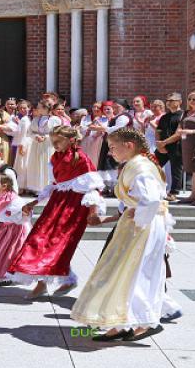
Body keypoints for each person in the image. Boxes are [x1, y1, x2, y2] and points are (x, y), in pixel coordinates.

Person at [71, 128, 171, 342]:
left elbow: (152, 199)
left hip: (143, 226)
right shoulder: (139, 163)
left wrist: (139, 217)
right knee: (127, 271)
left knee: (133, 272)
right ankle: (123, 323)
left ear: (129, 145)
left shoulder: (141, 167)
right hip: (140, 223)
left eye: (113, 147)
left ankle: (141, 322)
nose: (110, 152)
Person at [7, 126, 105, 299]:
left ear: (71, 140)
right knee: (39, 238)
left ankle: (47, 282)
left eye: (58, 141)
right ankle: (57, 279)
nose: (55, 145)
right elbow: (53, 185)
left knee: (57, 243)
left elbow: (92, 187)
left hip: (74, 207)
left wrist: (93, 211)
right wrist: (35, 201)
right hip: (56, 203)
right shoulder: (55, 157)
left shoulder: (81, 159)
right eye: (53, 142)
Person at [93, 99, 132, 193]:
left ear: (124, 107)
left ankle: (116, 188)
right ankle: (109, 187)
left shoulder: (124, 117)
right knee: (107, 163)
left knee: (113, 164)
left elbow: (117, 129)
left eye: (117, 107)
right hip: (111, 143)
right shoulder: (118, 116)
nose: (115, 109)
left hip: (119, 143)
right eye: (114, 107)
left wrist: (102, 128)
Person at [21, 101, 61, 194]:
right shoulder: (35, 119)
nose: (37, 109)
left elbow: (57, 132)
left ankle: (49, 187)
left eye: (39, 107)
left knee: (47, 165)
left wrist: (45, 137)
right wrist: (36, 137)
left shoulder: (55, 119)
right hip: (36, 145)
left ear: (46, 108)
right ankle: (37, 188)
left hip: (48, 146)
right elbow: (29, 132)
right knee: (36, 165)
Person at [155, 93, 184, 201]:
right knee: (152, 165)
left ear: (180, 102)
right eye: (167, 100)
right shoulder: (164, 116)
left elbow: (178, 134)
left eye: (172, 100)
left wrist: (164, 143)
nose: (169, 102)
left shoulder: (183, 115)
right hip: (162, 146)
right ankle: (153, 188)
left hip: (176, 146)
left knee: (176, 169)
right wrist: (159, 144)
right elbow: (158, 130)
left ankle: (174, 192)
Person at [11, 100, 32, 193]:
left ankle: (23, 187)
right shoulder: (24, 119)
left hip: (25, 143)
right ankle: (22, 187)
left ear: (29, 108)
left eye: (25, 108)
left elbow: (22, 133)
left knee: (23, 165)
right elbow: (20, 132)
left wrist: (21, 145)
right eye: (21, 108)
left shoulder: (26, 119)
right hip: (24, 143)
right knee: (22, 165)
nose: (23, 109)